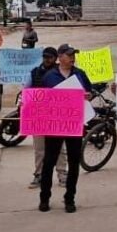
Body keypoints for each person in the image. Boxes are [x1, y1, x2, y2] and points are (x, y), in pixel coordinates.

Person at [38, 44, 92, 213]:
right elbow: (41, 99)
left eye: (73, 55)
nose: (72, 58)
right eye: (69, 55)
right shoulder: (49, 76)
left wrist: (87, 96)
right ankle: (44, 198)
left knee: (74, 162)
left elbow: (89, 91)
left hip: (74, 124)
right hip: (55, 126)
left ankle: (70, 198)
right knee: (49, 162)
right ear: (60, 57)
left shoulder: (80, 74)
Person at [28, 47, 65, 189]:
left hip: (57, 116)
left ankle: (62, 174)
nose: (46, 59)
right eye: (45, 57)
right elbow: (27, 90)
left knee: (60, 148)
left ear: (55, 58)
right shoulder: (35, 72)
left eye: (49, 57)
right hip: (39, 116)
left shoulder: (61, 73)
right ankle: (39, 175)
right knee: (39, 149)